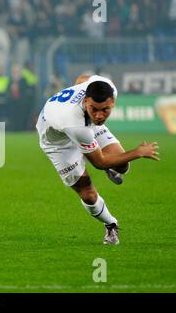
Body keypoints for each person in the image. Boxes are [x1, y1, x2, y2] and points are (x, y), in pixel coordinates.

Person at [36, 74, 159, 245]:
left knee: (122, 166)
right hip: (58, 142)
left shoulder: (107, 87)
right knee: (88, 194)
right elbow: (99, 163)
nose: (100, 116)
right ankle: (111, 224)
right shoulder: (73, 121)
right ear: (86, 101)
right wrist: (138, 152)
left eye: (105, 110)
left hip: (86, 125)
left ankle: (96, 154)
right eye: (95, 109)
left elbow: (82, 78)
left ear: (112, 102)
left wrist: (80, 88)